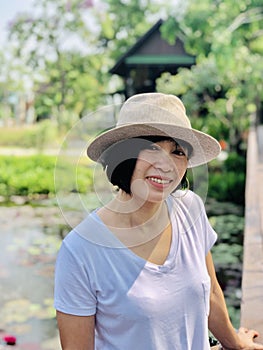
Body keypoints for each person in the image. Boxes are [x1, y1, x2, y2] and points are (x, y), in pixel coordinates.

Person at [54, 93, 263, 350]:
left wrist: (237, 344)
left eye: (177, 152)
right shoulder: (81, 250)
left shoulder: (190, 209)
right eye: (152, 148)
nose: (165, 165)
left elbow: (211, 295)